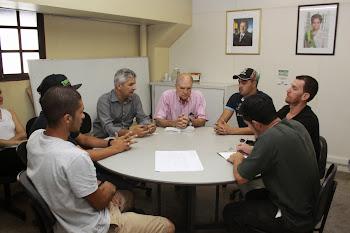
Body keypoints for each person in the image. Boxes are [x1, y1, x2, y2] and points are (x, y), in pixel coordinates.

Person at [27, 86, 175, 233]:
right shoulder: (75, 157)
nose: (84, 116)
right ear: (67, 118)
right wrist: (108, 188)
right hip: (90, 226)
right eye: (80, 112)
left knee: (128, 196)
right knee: (168, 226)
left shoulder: (35, 137)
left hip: (65, 212)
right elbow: (100, 202)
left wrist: (100, 186)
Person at [222, 94, 320, 233]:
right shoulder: (295, 125)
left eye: (249, 125)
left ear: (256, 124)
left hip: (293, 218)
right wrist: (253, 150)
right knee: (252, 196)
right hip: (308, 205)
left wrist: (238, 158)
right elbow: (279, 150)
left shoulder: (268, 138)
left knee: (231, 211)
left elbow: (241, 178)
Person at [30, 74, 135, 189]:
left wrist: (110, 143)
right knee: (124, 185)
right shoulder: (50, 127)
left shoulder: (60, 121)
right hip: (74, 174)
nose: (83, 116)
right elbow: (81, 156)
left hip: (78, 167)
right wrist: (115, 148)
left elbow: (83, 139)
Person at [93, 68, 157, 138]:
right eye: (130, 84)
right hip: (105, 139)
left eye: (134, 84)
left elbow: (142, 118)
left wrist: (148, 125)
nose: (134, 88)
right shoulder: (104, 100)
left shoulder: (135, 98)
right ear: (119, 86)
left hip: (125, 136)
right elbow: (108, 128)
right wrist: (132, 132)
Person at [277, 75, 320, 158]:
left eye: (294, 88)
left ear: (305, 96)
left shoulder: (308, 119)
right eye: (290, 86)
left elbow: (282, 142)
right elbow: (268, 126)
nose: (288, 90)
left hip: (299, 166)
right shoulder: (285, 110)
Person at [214, 68, 267, 135]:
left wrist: (231, 130)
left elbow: (261, 128)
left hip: (260, 139)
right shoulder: (235, 97)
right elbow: (220, 121)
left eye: (244, 83)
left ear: (254, 84)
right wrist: (220, 127)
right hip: (241, 139)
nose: (240, 86)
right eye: (239, 82)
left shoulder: (264, 100)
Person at [0, 87, 26, 176]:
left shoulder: (9, 112)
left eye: (0, 92)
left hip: (13, 151)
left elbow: (22, 133)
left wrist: (6, 143)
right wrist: (14, 142)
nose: (0, 96)